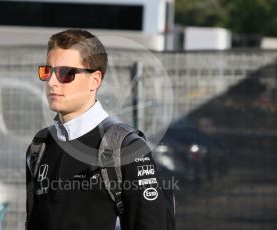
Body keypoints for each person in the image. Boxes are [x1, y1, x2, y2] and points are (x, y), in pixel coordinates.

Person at [26, 29, 175, 230]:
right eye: (47, 71)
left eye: (65, 73)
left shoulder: (126, 147)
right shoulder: (40, 147)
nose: (52, 82)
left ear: (95, 80)